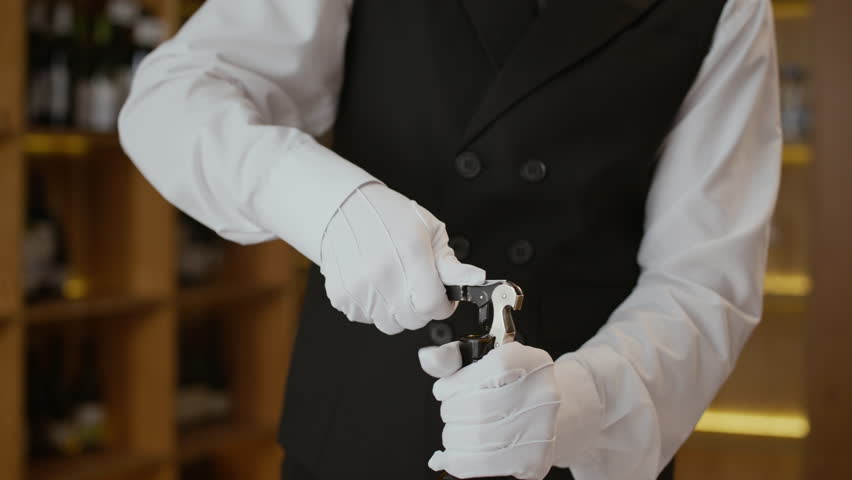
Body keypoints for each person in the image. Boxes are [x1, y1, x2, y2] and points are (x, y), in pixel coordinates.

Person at [118, 0, 782, 478]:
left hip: (575, 454)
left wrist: (587, 403)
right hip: (356, 437)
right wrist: (321, 201)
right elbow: (173, 97)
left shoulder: (730, 8)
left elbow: (703, 279)